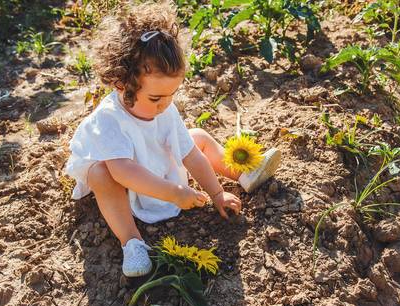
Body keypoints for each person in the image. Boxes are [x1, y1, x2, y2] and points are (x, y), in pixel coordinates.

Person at [65, 1, 281, 277]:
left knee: (198, 137)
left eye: (172, 95)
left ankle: (244, 174)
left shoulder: (164, 109)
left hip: (153, 161)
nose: (165, 105)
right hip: (126, 180)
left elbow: (190, 153)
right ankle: (132, 242)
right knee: (100, 174)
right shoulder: (109, 119)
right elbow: (124, 172)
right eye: (156, 98)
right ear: (122, 84)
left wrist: (216, 194)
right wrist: (175, 193)